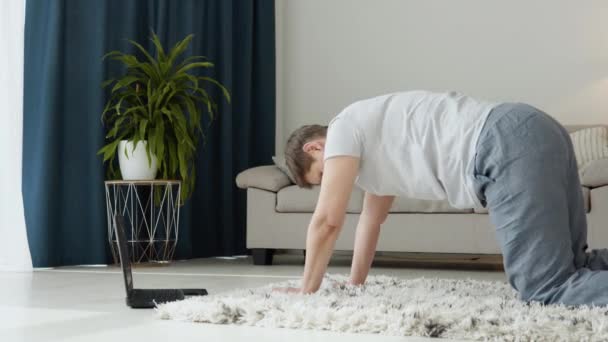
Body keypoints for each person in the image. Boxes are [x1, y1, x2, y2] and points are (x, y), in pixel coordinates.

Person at [274, 90, 608, 307]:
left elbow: (327, 221)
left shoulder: (343, 128)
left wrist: (307, 290)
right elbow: (371, 221)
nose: (330, 181)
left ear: (315, 148)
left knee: (544, 286)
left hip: (502, 145)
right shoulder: (371, 147)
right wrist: (354, 283)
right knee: (572, 266)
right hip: (536, 127)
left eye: (321, 174)